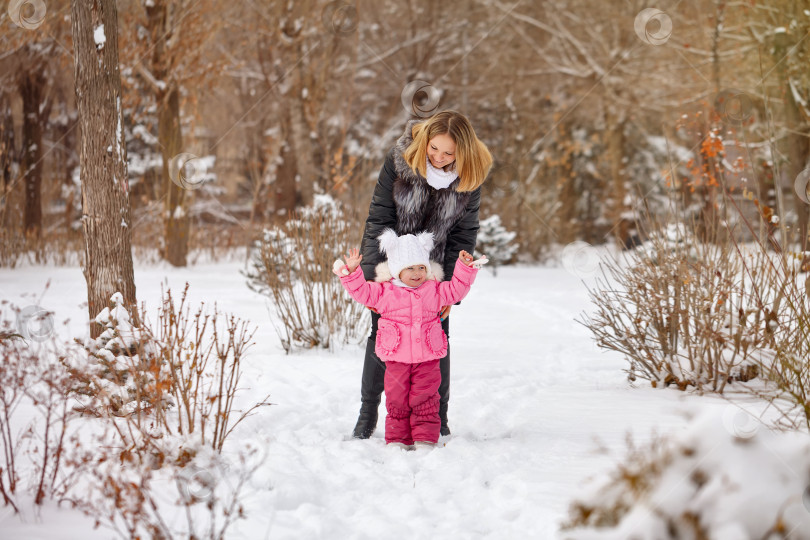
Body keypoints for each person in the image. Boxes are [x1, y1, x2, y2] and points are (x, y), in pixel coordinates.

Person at [352, 110, 493, 439]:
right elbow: (379, 216)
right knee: (381, 339)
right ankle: (367, 414)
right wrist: (376, 274)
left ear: (463, 153)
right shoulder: (400, 160)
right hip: (394, 267)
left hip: (435, 273)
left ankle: (438, 417)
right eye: (434, 149)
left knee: (438, 342)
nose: (440, 158)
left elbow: (463, 234)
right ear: (425, 141)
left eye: (449, 153)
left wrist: (448, 289)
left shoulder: (469, 176)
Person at [335, 230, 485, 446]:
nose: (417, 273)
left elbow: (456, 291)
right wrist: (352, 272)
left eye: (421, 267)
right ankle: (398, 439)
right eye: (410, 268)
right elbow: (361, 292)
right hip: (396, 360)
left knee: (426, 400)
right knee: (397, 401)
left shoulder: (434, 289)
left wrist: (463, 269)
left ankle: (424, 439)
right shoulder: (383, 292)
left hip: (427, 360)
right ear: (397, 270)